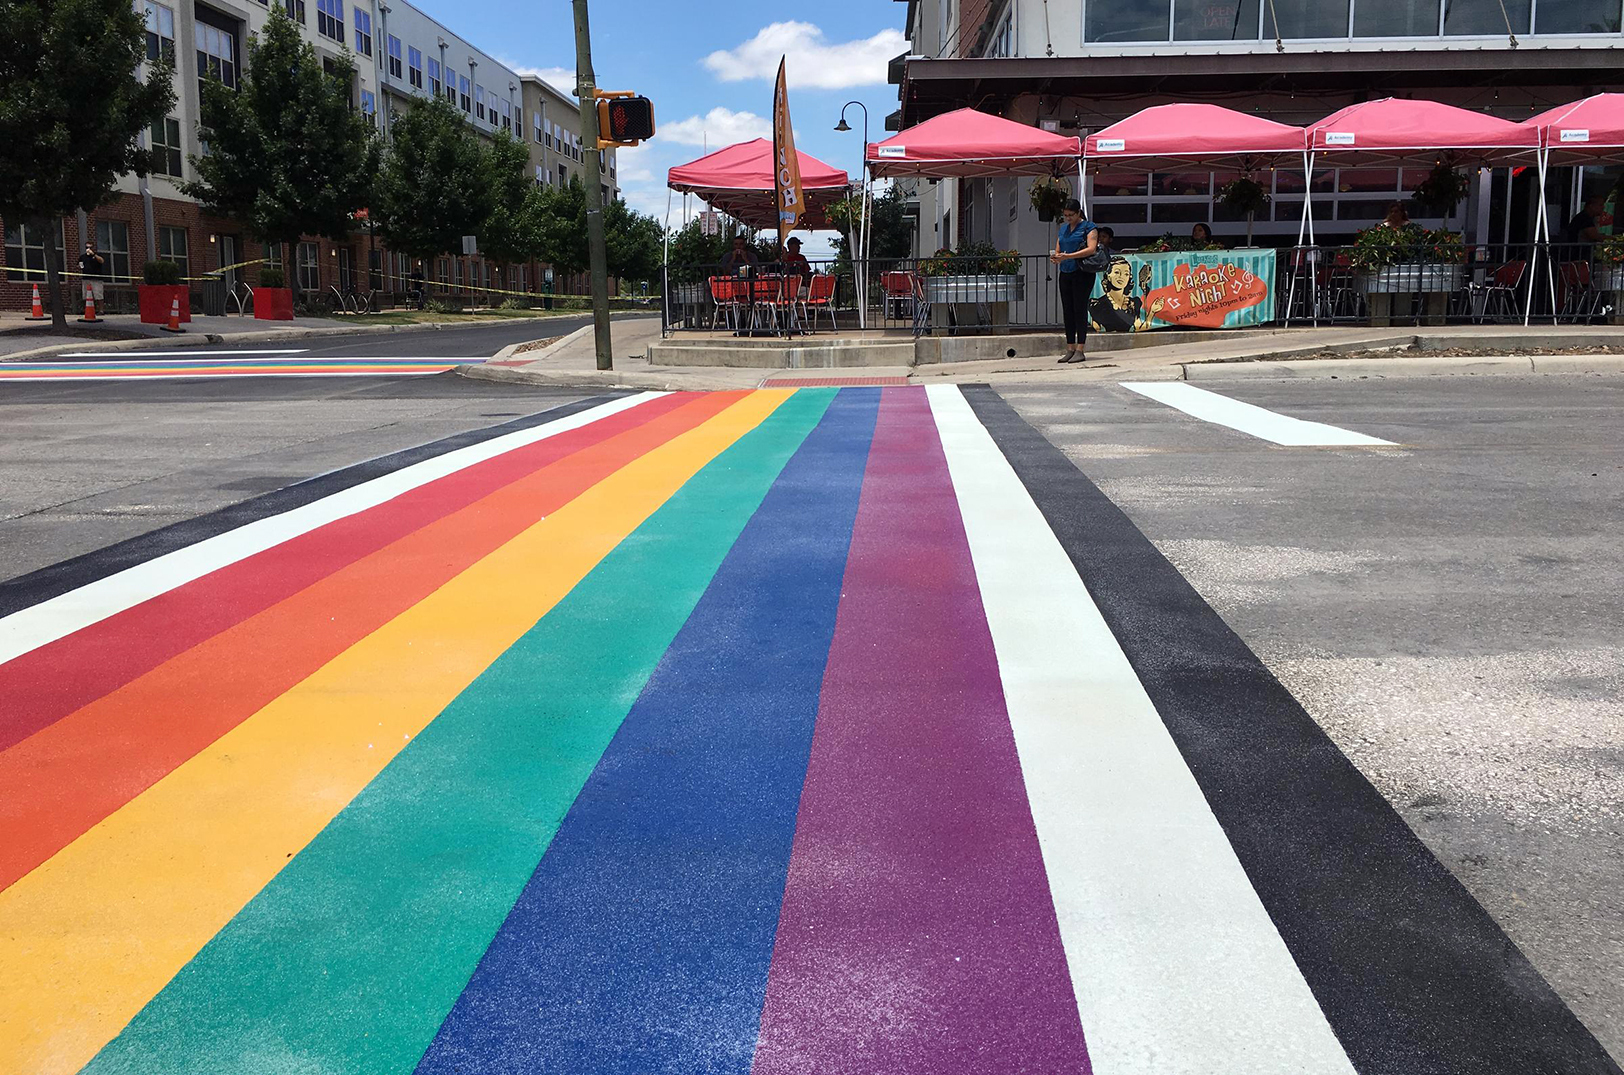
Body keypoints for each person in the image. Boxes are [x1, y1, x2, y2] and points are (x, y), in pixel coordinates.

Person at [1049, 198, 1100, 364]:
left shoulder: (1088, 227)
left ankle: (1080, 348)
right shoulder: (1063, 229)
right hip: (1066, 271)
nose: (1068, 218)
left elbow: (1091, 249)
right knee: (1067, 310)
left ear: (1078, 213)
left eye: (1071, 215)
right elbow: (1058, 247)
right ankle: (1070, 346)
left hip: (1082, 272)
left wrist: (1069, 256)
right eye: (1065, 215)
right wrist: (1056, 257)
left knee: (1079, 308)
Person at [1090, 255, 1164, 334]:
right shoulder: (1097, 304)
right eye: (1117, 272)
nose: (1121, 277)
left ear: (1129, 277)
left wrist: (1152, 312)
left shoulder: (1134, 303)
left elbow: (1139, 328)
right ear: (1108, 275)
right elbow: (1097, 329)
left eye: (1126, 274)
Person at [78, 241, 106, 306]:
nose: (88, 249)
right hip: (86, 279)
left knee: (98, 295)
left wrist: (93, 254)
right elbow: (80, 264)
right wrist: (80, 266)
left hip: (96, 279)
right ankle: (88, 309)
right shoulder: (82, 257)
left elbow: (101, 261)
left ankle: (101, 310)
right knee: (86, 295)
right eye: (87, 247)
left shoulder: (97, 256)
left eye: (90, 247)